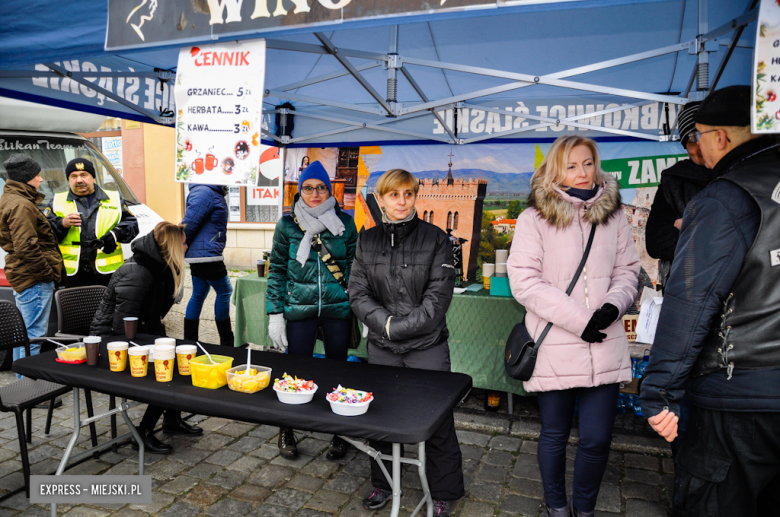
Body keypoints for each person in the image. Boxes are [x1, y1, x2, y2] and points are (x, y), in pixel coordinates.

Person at [641, 85, 780, 516]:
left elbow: (691, 302)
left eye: (699, 135)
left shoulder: (726, 197)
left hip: (737, 398)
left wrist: (659, 389)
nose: (696, 146)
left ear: (720, 137)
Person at [507, 136, 639, 517]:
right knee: (554, 434)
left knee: (597, 439)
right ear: (554, 170)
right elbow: (525, 282)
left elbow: (628, 271)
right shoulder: (535, 218)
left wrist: (612, 307)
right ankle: (557, 507)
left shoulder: (614, 216)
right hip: (555, 346)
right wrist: (581, 321)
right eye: (571, 165)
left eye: (587, 163)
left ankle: (584, 509)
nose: (582, 173)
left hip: (605, 344)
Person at [349, 169, 464, 516]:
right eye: (393, 195)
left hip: (426, 348)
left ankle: (444, 490)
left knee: (438, 422)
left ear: (415, 197)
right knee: (380, 417)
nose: (401, 201)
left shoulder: (436, 240)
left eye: (408, 194)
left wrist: (394, 328)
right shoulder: (367, 240)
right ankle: (384, 484)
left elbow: (437, 299)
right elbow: (357, 293)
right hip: (382, 347)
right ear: (380, 199)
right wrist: (384, 324)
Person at [266, 160, 358, 461]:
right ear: (299, 190)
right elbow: (277, 270)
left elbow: (356, 269)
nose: (315, 193)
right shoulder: (287, 225)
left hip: (338, 309)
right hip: (299, 309)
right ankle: (287, 428)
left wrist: (362, 309)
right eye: (308, 187)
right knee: (294, 373)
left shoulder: (345, 223)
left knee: (338, 372)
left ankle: (339, 433)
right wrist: (275, 314)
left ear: (329, 190)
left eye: (321, 188)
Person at [90, 222, 202, 453]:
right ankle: (143, 432)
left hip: (140, 333)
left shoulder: (157, 265)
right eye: (182, 242)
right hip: (111, 344)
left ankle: (171, 419)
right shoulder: (139, 272)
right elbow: (123, 326)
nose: (187, 245)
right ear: (170, 246)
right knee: (167, 370)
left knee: (183, 361)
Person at [0, 154, 64, 376]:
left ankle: (25, 383)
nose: (41, 179)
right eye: (38, 175)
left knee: (26, 334)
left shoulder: (12, 199)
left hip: (25, 274)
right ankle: (29, 387)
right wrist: (46, 274)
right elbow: (26, 246)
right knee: (32, 335)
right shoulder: (22, 204)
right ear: (28, 178)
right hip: (33, 278)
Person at [645, 101, 712, 289]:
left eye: (704, 136)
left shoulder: (738, 174)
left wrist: (688, 226)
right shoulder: (674, 180)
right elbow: (657, 243)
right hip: (688, 287)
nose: (699, 145)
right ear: (684, 145)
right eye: (691, 139)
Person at [46, 158, 138, 288]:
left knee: (107, 308)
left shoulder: (114, 199)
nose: (79, 180)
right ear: (68, 180)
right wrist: (62, 224)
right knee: (74, 308)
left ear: (93, 177)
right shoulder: (56, 201)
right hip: (71, 275)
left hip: (107, 274)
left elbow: (132, 224)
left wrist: (115, 234)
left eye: (84, 175)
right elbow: (44, 233)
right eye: (74, 176)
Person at [181, 183, 234, 346]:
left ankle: (190, 343)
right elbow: (189, 223)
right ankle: (227, 343)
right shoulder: (205, 191)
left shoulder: (210, 191)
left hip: (202, 254)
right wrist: (181, 244)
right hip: (207, 256)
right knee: (224, 291)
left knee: (199, 293)